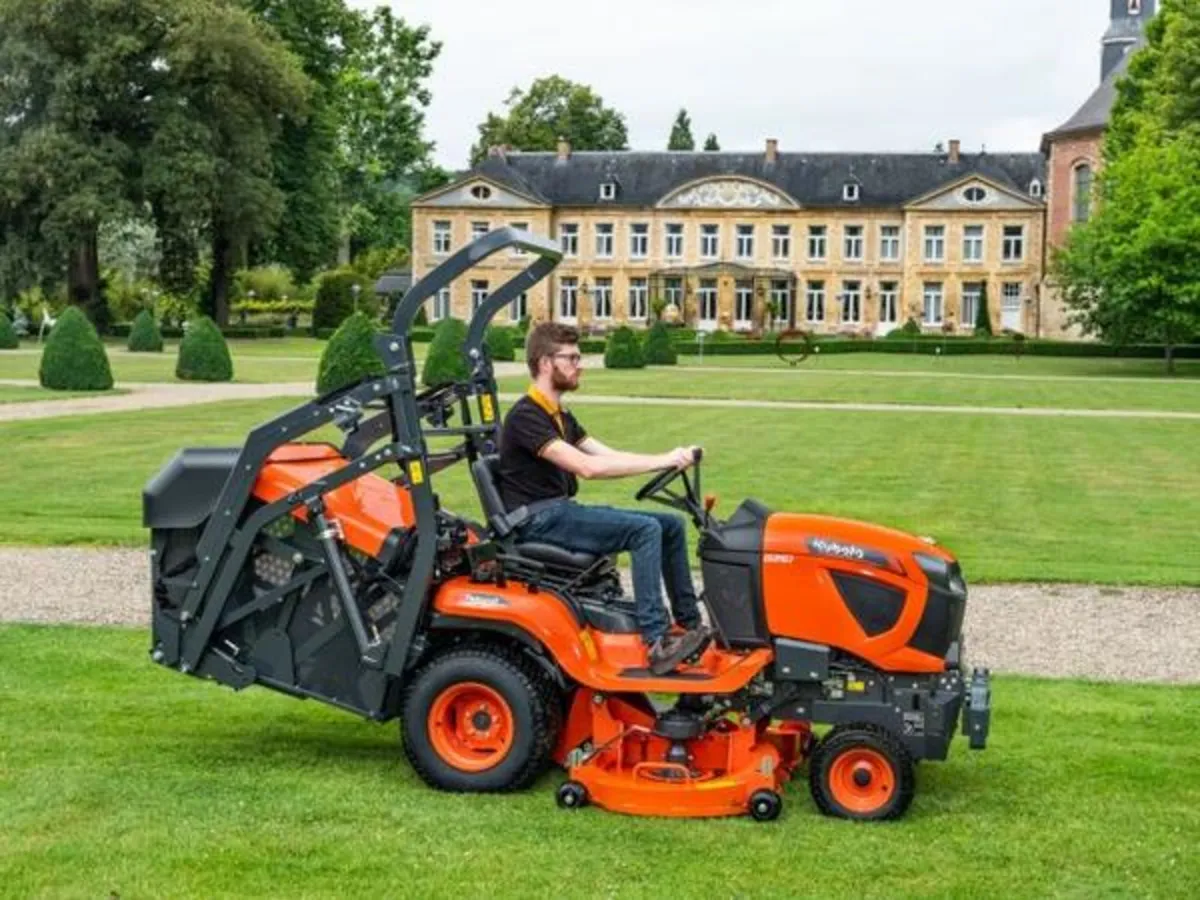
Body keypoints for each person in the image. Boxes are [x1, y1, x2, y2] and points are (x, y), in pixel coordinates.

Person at [497, 322, 708, 674]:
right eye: (572, 358)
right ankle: (657, 642)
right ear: (546, 362)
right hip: (538, 520)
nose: (580, 364)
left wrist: (666, 459)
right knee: (644, 531)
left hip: (559, 511)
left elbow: (606, 454)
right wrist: (665, 459)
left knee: (670, 524)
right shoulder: (525, 416)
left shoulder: (559, 416)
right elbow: (587, 468)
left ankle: (689, 625)